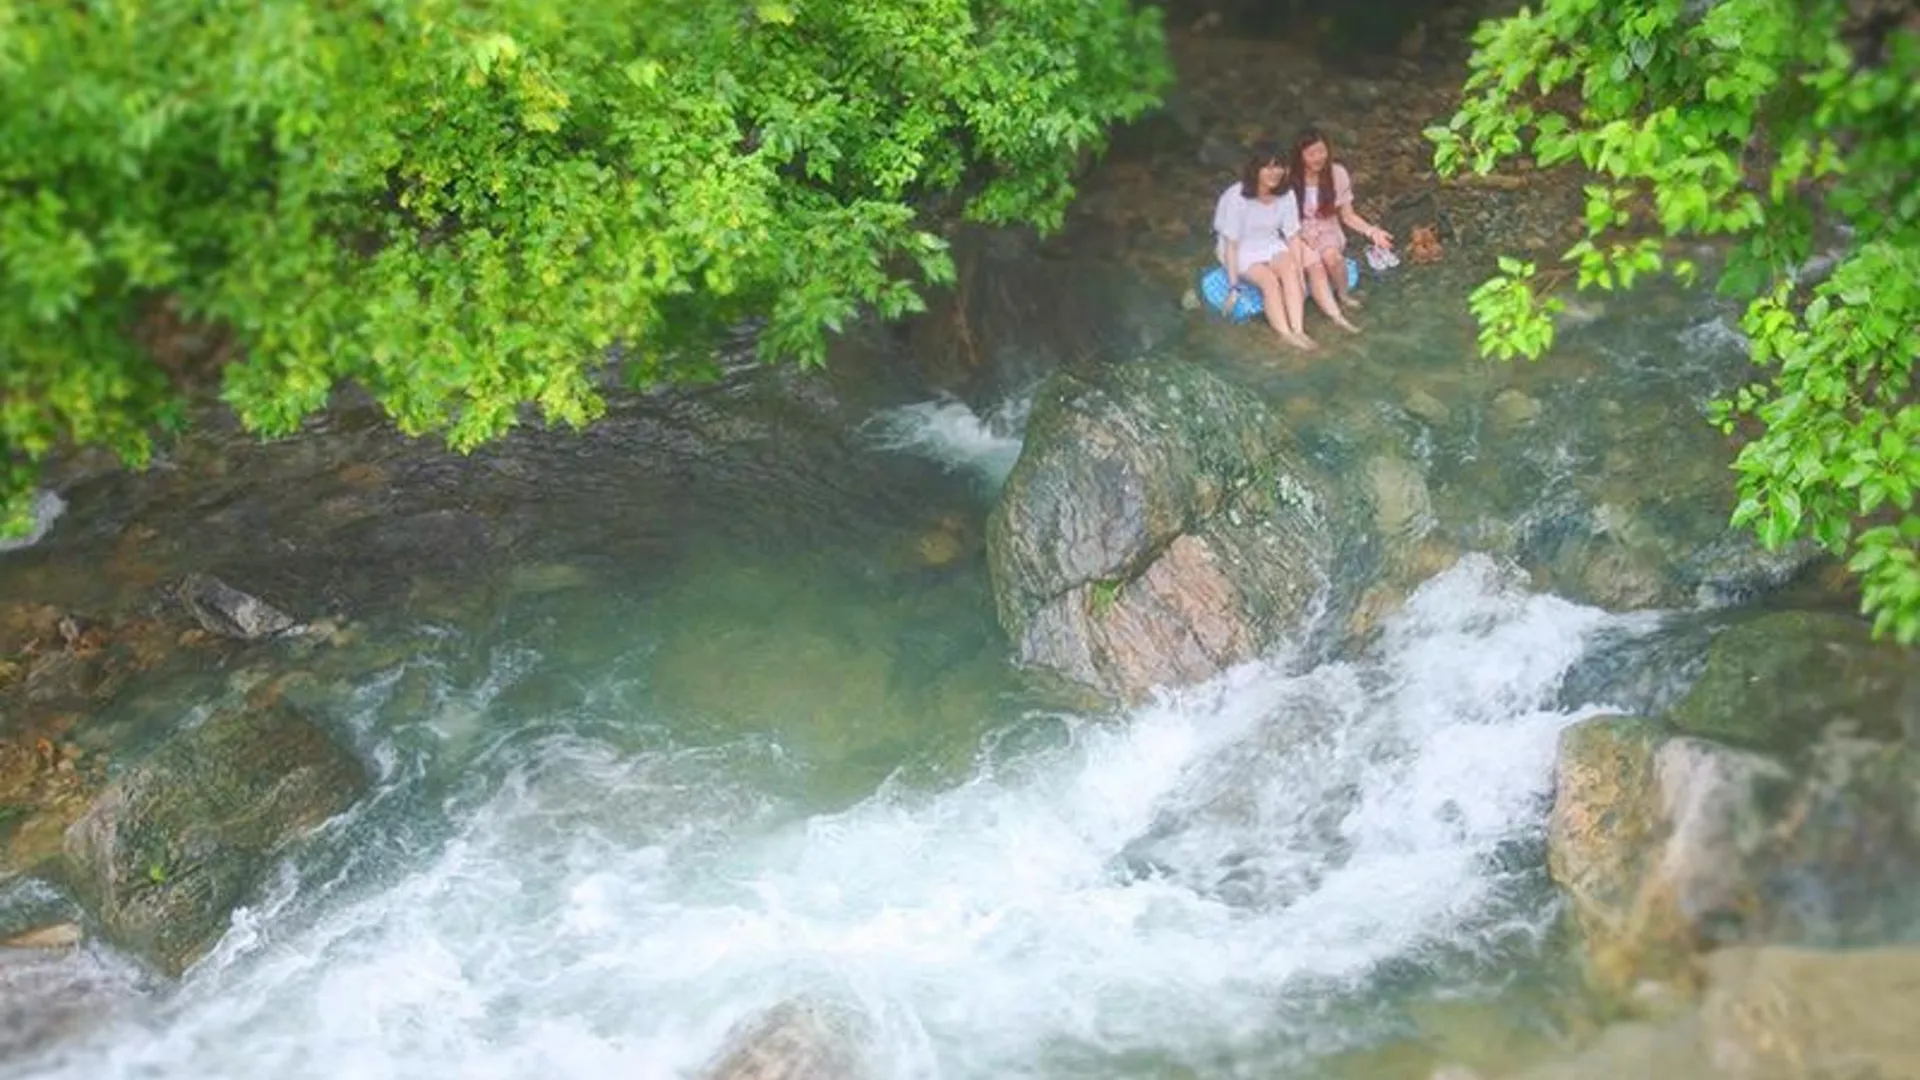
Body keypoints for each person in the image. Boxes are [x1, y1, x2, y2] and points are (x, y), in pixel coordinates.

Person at [1212, 145, 1315, 351]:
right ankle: (1285, 334)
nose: (1274, 173)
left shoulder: (1286, 194)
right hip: (1240, 248)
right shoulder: (1237, 196)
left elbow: (1292, 236)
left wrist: (1301, 277)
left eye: (1278, 167)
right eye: (1267, 168)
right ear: (1255, 170)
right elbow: (1231, 245)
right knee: (1269, 281)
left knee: (1290, 270)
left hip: (1268, 242)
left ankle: (1299, 330)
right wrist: (1233, 287)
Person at [1290, 127, 1393, 332]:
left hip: (1327, 229)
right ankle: (1328, 314)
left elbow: (1348, 215)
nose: (1318, 158)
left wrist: (1372, 232)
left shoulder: (1337, 173)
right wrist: (1300, 236)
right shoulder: (1289, 178)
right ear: (1300, 156)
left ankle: (1343, 294)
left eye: (1322, 151)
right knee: (1314, 263)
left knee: (1332, 257)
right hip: (1297, 232)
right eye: (1311, 154)